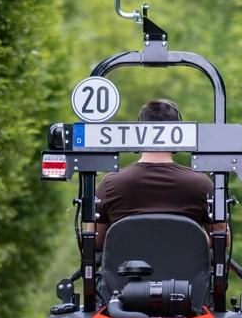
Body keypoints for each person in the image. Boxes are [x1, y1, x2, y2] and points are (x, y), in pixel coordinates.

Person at [90, 98, 216, 248]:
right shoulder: (201, 184)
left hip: (127, 264)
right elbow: (221, 238)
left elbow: (93, 242)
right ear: (179, 134)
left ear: (139, 134)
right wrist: (195, 239)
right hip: (186, 263)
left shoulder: (109, 184)